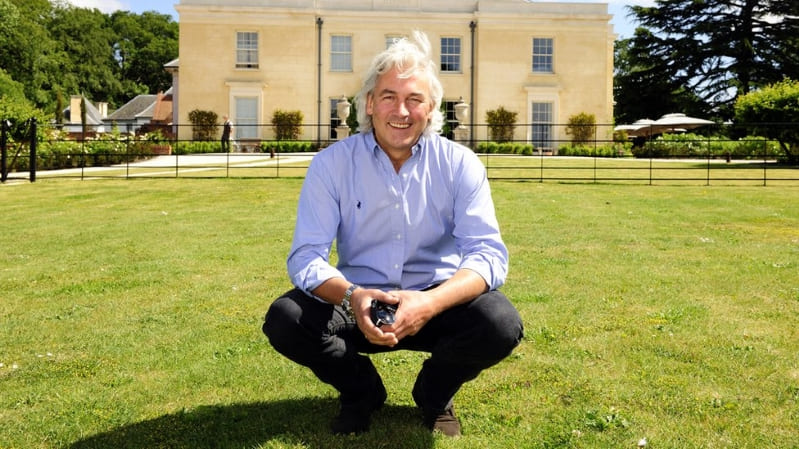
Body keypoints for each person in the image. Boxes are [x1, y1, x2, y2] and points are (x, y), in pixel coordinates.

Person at [262, 31, 523, 437]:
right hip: (358, 298)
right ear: (369, 103)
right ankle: (361, 393)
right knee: (287, 319)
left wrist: (430, 302)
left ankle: (434, 394)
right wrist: (352, 295)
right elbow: (306, 257)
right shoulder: (331, 165)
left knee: (500, 323)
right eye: (388, 96)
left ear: (431, 108)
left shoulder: (460, 164)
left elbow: (488, 254)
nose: (401, 111)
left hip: (435, 298)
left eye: (415, 99)